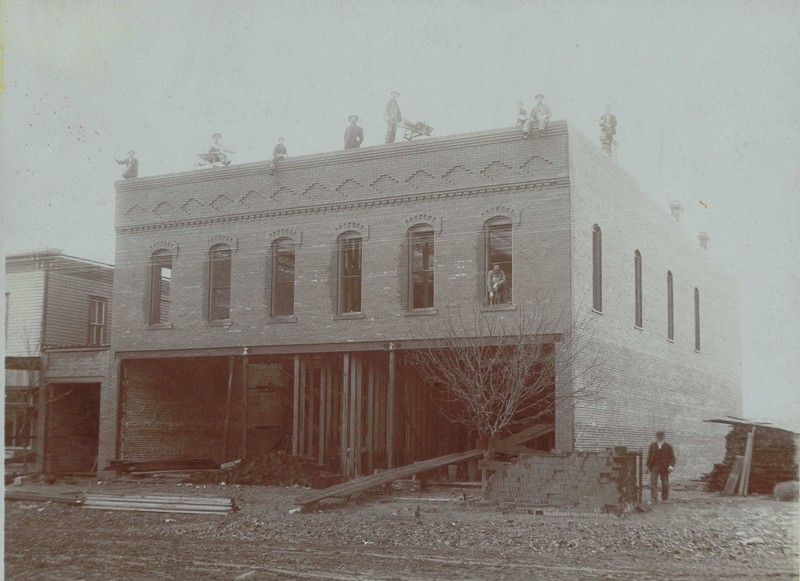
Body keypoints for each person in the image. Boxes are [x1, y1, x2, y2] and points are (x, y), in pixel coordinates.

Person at [647, 430, 676, 503]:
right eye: (658, 436)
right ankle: (653, 499)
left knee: (665, 483)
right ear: (656, 436)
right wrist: (647, 466)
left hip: (664, 467)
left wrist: (671, 466)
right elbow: (649, 457)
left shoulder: (668, 446)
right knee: (653, 483)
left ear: (664, 436)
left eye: (661, 436)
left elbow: (672, 457)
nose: (660, 437)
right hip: (654, 466)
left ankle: (664, 499)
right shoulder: (652, 446)